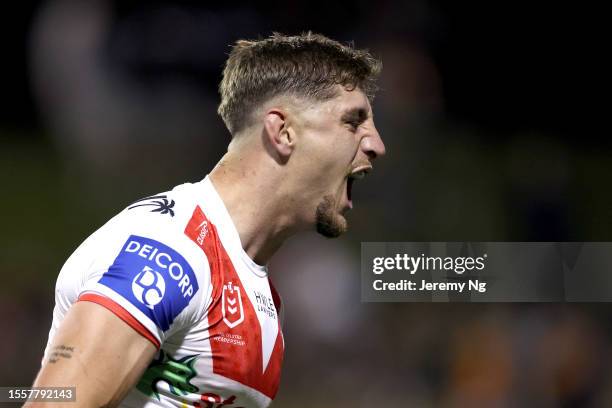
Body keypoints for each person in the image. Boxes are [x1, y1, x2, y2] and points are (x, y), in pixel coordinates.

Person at [28, 32, 386, 407]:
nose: (377, 143)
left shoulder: (256, 290)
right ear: (283, 132)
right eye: (353, 122)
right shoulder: (168, 252)